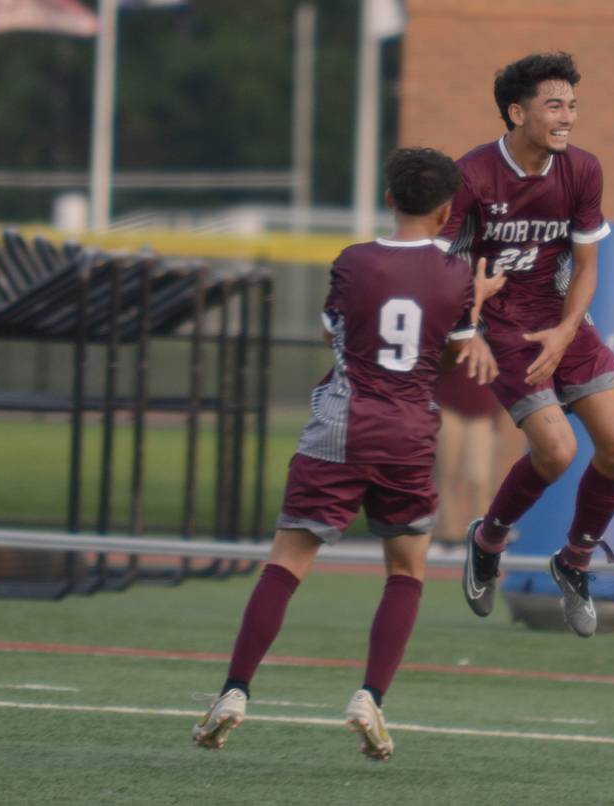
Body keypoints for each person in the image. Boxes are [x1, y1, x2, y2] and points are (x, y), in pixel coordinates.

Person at [191, 147, 503, 761]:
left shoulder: (355, 261)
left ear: (389, 199)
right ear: (446, 211)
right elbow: (455, 347)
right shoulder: (457, 274)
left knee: (287, 562)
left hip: (342, 425)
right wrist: (477, 300)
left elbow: (334, 331)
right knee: (407, 571)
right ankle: (371, 697)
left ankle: (234, 690)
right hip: (410, 433)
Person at [436, 52, 614, 638]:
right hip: (502, 324)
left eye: (573, 105)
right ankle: (489, 537)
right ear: (517, 111)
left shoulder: (583, 170)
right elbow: (443, 263)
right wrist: (466, 330)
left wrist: (567, 330)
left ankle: (573, 562)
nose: (568, 116)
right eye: (555, 105)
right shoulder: (471, 175)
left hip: (563, 317)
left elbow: (588, 265)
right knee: (555, 452)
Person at [432, 367, 504, 545]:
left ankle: (480, 532)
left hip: (482, 411)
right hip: (448, 406)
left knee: (479, 477)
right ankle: (449, 535)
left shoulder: (492, 340)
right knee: (447, 474)